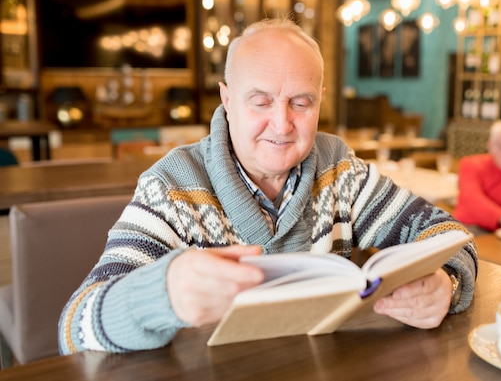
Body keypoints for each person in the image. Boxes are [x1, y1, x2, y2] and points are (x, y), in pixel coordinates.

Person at [58, 18, 478, 354]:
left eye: (301, 102)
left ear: (320, 100)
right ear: (227, 99)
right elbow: (75, 327)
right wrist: (161, 294)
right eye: (260, 101)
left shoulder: (339, 169)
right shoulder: (173, 185)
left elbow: (451, 236)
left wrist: (446, 284)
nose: (282, 124)